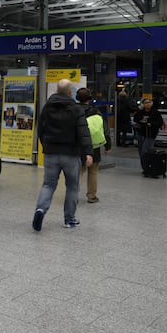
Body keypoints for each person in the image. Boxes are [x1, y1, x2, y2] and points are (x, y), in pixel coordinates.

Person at [32, 79, 93, 231]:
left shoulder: (47, 107)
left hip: (51, 153)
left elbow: (41, 129)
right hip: (71, 154)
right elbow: (83, 132)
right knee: (72, 187)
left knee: (48, 184)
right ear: (68, 91)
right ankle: (69, 219)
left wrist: (45, 145)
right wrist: (88, 153)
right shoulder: (76, 109)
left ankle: (40, 210)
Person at [76, 88, 111, 203]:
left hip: (78, 145)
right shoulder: (96, 112)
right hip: (94, 146)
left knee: (77, 172)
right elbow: (105, 130)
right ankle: (91, 196)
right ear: (89, 99)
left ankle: (73, 195)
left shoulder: (73, 111)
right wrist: (108, 146)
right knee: (93, 171)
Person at [132, 98, 165, 175]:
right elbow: (135, 119)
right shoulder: (140, 112)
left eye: (148, 102)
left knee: (145, 150)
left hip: (150, 134)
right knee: (140, 151)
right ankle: (145, 168)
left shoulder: (155, 112)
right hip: (141, 133)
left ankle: (149, 167)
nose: (147, 104)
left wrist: (152, 124)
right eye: (145, 103)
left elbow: (160, 122)